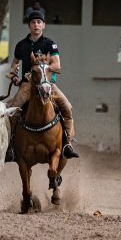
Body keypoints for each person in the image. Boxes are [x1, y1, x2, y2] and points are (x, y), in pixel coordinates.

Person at [7, 9, 79, 159]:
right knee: (12, 111)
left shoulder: (50, 44)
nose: (36, 25)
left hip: (48, 84)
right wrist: (14, 76)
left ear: (44, 25)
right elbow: (14, 64)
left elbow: (57, 65)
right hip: (27, 85)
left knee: (67, 107)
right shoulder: (21, 45)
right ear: (29, 26)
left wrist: (41, 69)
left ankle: (67, 144)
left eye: (39, 22)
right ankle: (9, 146)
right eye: (33, 22)